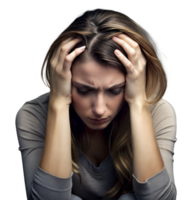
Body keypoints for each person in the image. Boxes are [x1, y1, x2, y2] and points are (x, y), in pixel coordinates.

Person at [14, 6, 179, 200]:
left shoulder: (158, 113)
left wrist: (138, 104)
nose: (99, 109)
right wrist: (58, 103)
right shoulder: (32, 116)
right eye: (84, 90)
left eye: (115, 90)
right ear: (64, 80)